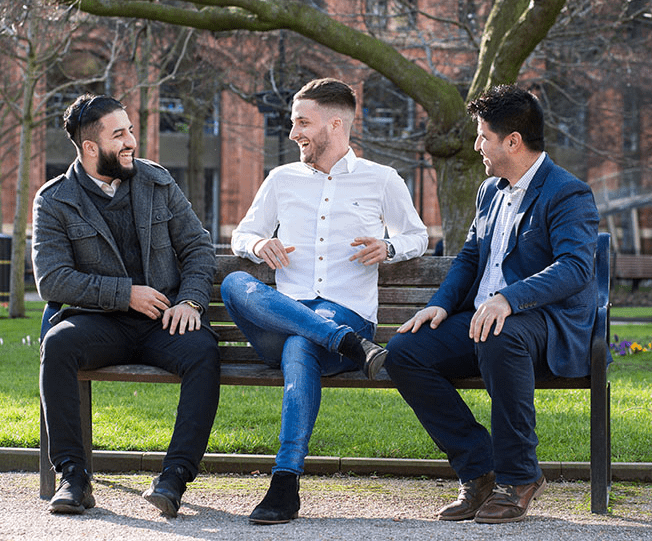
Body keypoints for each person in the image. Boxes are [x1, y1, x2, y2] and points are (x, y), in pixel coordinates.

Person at [385, 85, 600, 524]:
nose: (477, 145)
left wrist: (509, 298)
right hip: (484, 321)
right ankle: (480, 469)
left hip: (544, 323)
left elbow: (576, 266)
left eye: (483, 136)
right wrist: (441, 305)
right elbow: (469, 256)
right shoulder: (490, 191)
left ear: (513, 142)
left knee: (499, 332)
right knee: (404, 351)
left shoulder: (567, 193)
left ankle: (520, 476)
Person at [221, 78, 428, 524]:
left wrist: (389, 248)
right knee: (235, 283)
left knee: (302, 346)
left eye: (302, 122)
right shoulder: (281, 179)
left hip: (345, 312)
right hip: (288, 318)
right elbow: (242, 233)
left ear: (335, 124)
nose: (294, 132)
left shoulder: (382, 179)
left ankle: (284, 481)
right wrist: (259, 247)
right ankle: (350, 345)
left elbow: (417, 234)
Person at [32, 94, 220, 518]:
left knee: (204, 353)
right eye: (120, 134)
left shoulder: (157, 181)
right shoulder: (54, 199)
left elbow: (197, 247)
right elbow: (52, 279)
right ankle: (73, 478)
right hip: (99, 323)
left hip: (163, 322)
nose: (132, 140)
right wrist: (125, 293)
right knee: (58, 345)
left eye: (131, 129)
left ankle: (173, 479)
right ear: (91, 148)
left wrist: (190, 300)